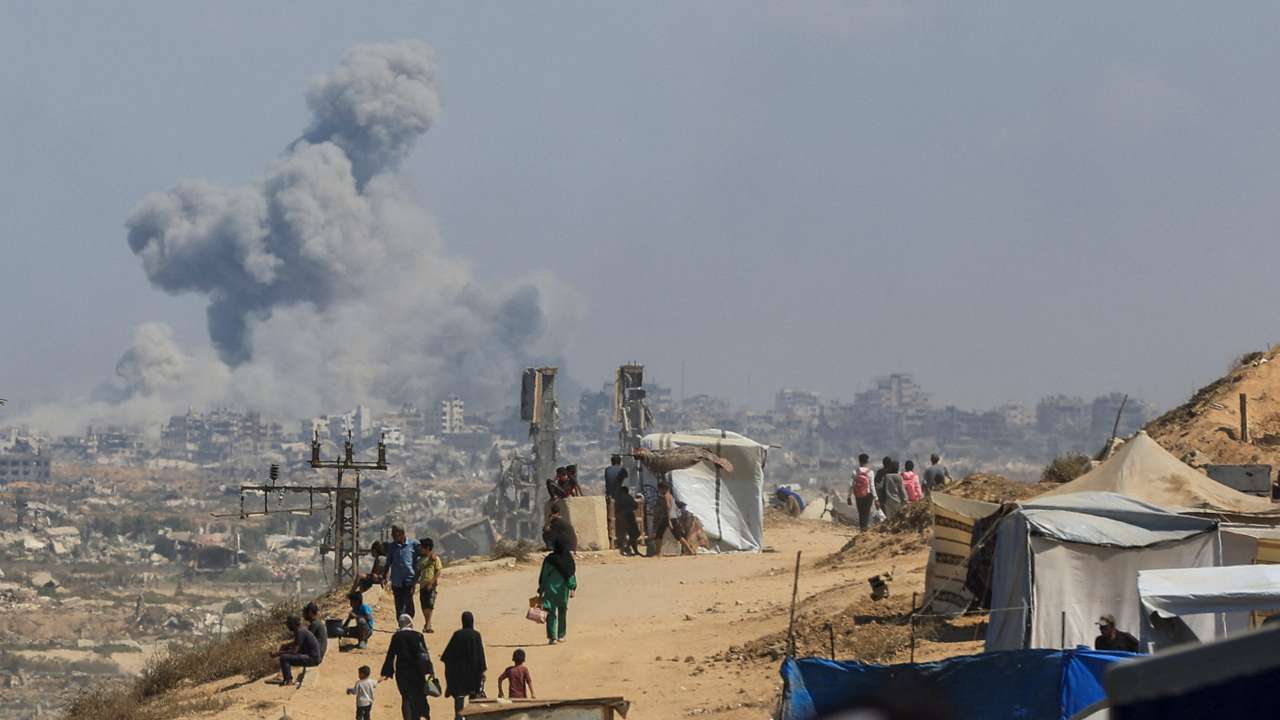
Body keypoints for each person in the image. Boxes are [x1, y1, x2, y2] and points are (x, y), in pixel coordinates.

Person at [380, 614, 432, 720]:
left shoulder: (397, 636)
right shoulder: (418, 635)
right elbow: (425, 654)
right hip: (417, 671)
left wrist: (387, 672)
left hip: (402, 672)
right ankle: (423, 716)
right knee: (419, 694)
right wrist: (430, 670)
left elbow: (391, 654)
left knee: (406, 697)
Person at [441, 611, 487, 720]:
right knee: (473, 699)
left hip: (459, 674)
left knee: (459, 699)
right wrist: (482, 671)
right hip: (473, 674)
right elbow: (480, 654)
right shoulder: (476, 635)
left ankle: (458, 717)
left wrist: (450, 676)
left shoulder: (457, 635)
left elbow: (447, 656)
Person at [538, 539, 577, 645]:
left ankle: (552, 637)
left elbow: (544, 575)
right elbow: (570, 575)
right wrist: (572, 588)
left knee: (550, 613)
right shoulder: (568, 559)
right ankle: (561, 635)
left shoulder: (549, 559)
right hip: (563, 590)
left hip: (550, 589)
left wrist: (541, 590)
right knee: (562, 612)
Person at [271, 615, 321, 685]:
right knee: (285, 652)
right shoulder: (300, 630)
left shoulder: (300, 632)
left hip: (312, 659)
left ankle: (288, 681)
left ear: (293, 624)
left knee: (284, 658)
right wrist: (286, 645)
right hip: (312, 656)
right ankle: (282, 675)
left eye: (289, 624)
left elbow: (294, 651)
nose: (288, 626)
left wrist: (278, 653)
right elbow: (297, 642)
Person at [387, 525, 422, 621]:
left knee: (409, 604)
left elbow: (420, 560)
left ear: (401, 534)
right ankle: (401, 624)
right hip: (397, 581)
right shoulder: (392, 547)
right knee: (399, 605)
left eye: (394, 533)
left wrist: (416, 578)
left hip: (409, 580)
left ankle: (409, 622)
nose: (392, 535)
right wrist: (383, 577)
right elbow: (388, 562)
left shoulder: (414, 544)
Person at [417, 538, 443, 634]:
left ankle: (428, 624)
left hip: (431, 586)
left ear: (427, 548)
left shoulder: (435, 559)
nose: (420, 549)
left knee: (430, 605)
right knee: (424, 606)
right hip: (422, 586)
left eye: (422, 547)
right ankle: (427, 623)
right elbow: (418, 572)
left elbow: (438, 571)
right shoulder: (421, 560)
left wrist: (432, 582)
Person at [847, 454, 877, 530]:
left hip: (858, 495)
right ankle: (865, 528)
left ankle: (862, 529)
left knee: (860, 512)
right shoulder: (870, 472)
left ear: (859, 461)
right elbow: (872, 486)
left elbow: (851, 485)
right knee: (866, 512)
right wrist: (876, 498)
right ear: (867, 461)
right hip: (868, 495)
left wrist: (849, 497)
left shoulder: (855, 472)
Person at [604, 455, 628, 545]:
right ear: (620, 462)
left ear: (612, 462)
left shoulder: (607, 470)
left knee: (610, 519)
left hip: (609, 497)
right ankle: (623, 540)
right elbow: (626, 485)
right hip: (620, 496)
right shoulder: (623, 470)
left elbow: (607, 482)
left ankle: (612, 540)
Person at [651, 481, 678, 556]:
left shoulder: (666, 495)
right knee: (678, 536)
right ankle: (689, 550)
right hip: (673, 517)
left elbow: (668, 507)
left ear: (663, 489)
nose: (659, 491)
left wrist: (669, 520)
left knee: (659, 535)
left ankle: (658, 552)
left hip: (667, 517)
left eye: (659, 489)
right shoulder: (670, 495)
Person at [613, 485, 641, 556]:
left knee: (630, 535)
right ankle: (628, 547)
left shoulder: (619, 499)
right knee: (635, 534)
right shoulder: (628, 497)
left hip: (622, 518)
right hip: (629, 517)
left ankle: (633, 550)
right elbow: (635, 506)